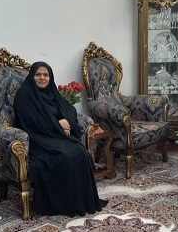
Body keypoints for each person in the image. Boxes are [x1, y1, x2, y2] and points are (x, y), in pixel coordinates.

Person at [13, 62, 107, 216]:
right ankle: (64, 205)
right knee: (65, 156)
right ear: (32, 76)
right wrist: (57, 125)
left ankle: (81, 201)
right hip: (38, 140)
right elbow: (31, 123)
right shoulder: (24, 96)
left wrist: (66, 122)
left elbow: (68, 109)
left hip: (56, 136)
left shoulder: (52, 93)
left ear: (50, 77)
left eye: (46, 75)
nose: (42, 78)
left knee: (81, 153)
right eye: (38, 75)